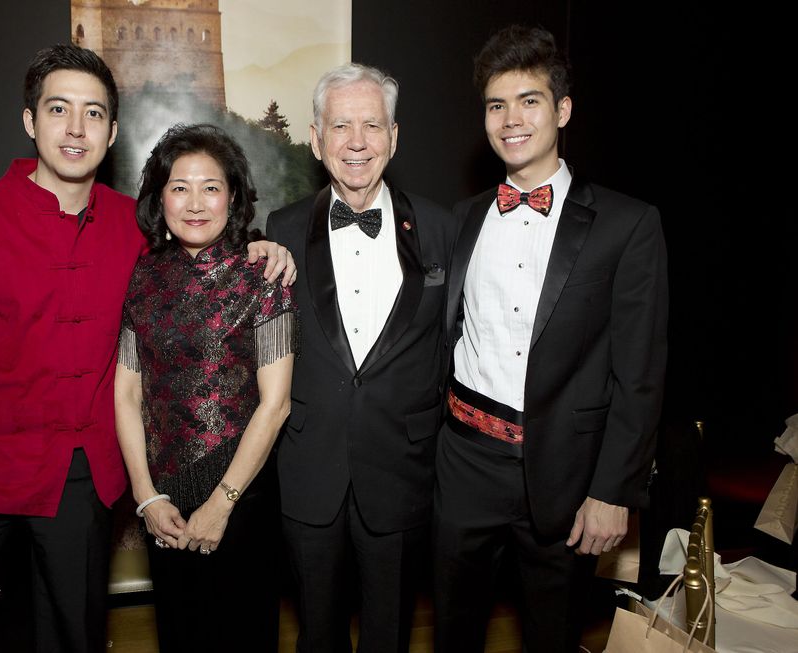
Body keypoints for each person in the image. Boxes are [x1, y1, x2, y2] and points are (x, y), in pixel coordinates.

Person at [0, 46, 294, 652]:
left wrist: (265, 247)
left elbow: (202, 250)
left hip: (78, 480)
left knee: (70, 640)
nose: (75, 128)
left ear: (112, 132)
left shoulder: (137, 230)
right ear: (30, 120)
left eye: (93, 114)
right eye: (58, 109)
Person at [434, 25, 668, 653]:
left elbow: (640, 373)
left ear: (563, 110)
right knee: (453, 630)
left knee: (553, 634)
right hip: (463, 463)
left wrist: (613, 491)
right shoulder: (463, 218)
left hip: (565, 474)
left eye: (529, 100)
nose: (511, 119)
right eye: (496, 104)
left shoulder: (628, 224)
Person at [266, 64, 457, 653]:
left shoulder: (441, 227)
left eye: (371, 125)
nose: (356, 142)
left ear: (394, 137)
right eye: (340, 125)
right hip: (309, 466)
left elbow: (452, 344)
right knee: (316, 630)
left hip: (401, 466)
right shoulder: (282, 229)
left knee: (390, 632)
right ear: (316, 137)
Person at [114, 123, 296, 653]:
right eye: (180, 186)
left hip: (244, 495)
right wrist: (146, 496)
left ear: (233, 196)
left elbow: (276, 404)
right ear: (160, 196)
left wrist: (222, 504)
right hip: (165, 500)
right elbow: (127, 394)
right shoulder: (144, 277)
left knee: (243, 635)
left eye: (211, 187)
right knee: (180, 633)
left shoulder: (263, 276)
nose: (196, 203)